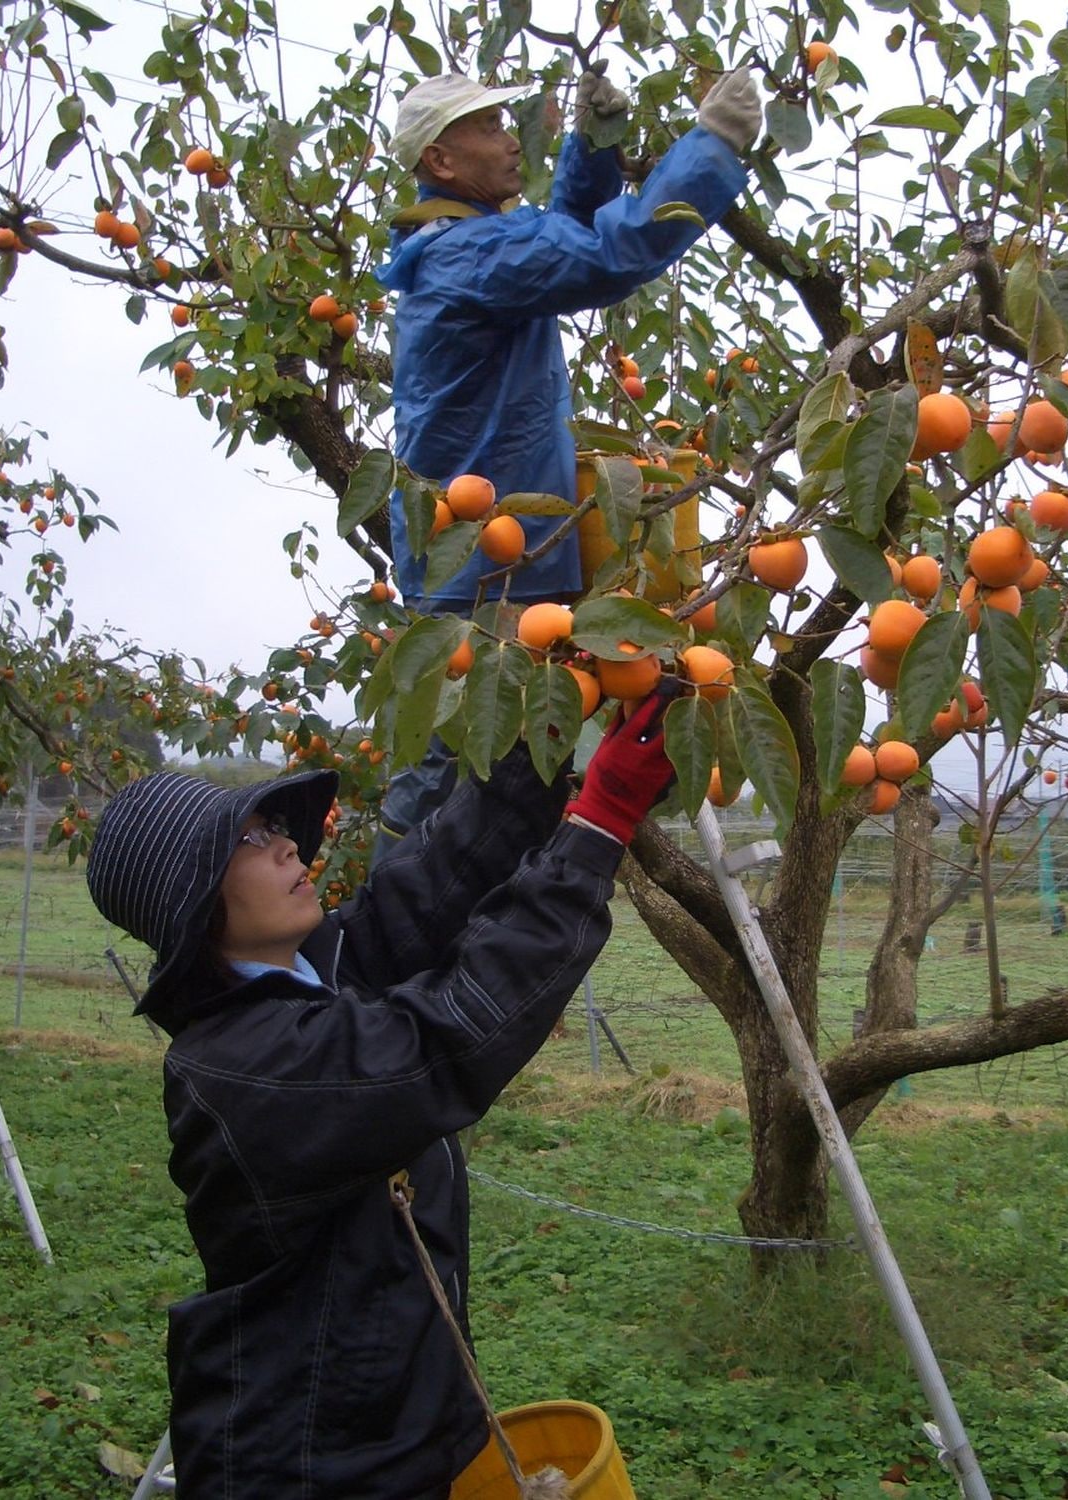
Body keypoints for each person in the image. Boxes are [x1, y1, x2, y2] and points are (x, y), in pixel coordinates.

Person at [84, 687, 680, 1499]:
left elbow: (432, 885)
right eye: (253, 840)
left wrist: (542, 737)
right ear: (198, 905)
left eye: (276, 826)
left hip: (401, 1425)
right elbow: (451, 1036)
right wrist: (601, 816)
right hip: (315, 1465)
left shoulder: (317, 974)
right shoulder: (243, 1068)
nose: (289, 844)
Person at [371, 64, 762, 856]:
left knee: (470, 780)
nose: (511, 138)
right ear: (441, 162)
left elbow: (560, 238)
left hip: (490, 564)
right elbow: (608, 256)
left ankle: (421, 925)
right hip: (488, 580)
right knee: (452, 787)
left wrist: (593, 149)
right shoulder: (473, 257)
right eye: (487, 128)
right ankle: (394, 945)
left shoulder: (456, 246)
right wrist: (714, 147)